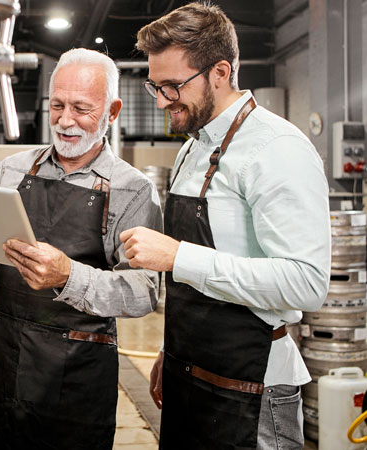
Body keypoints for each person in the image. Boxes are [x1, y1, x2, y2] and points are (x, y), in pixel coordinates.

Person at [120, 3, 331, 449]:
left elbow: (306, 282)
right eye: (154, 86)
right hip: (188, 373)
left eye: (173, 86)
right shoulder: (191, 149)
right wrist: (172, 351)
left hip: (252, 392)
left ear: (220, 71)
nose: (161, 101)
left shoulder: (277, 149)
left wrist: (180, 257)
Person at [0, 48, 163, 449]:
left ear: (112, 112)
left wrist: (69, 276)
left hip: (74, 380)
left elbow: (144, 292)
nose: (65, 121)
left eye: (81, 108)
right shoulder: (13, 169)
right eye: (58, 105)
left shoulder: (133, 189)